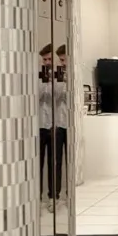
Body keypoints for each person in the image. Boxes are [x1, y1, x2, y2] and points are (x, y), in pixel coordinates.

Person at [50, 44, 69, 209]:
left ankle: (70, 196)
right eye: (60, 60)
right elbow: (54, 96)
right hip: (59, 124)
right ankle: (54, 197)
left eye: (63, 59)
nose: (62, 63)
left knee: (71, 161)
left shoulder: (76, 73)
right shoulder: (57, 75)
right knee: (56, 161)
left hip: (71, 125)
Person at [38, 44, 56, 204]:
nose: (47, 62)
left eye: (50, 59)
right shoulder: (39, 76)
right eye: (44, 59)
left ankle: (52, 197)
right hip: (40, 125)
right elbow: (37, 96)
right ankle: (37, 198)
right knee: (38, 163)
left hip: (55, 125)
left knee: (53, 163)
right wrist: (44, 79)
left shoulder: (59, 76)